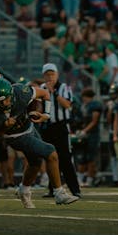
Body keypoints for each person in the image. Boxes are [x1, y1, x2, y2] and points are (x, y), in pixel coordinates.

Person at [0, 77, 79, 208]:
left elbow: (45, 94)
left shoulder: (20, 92)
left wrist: (45, 114)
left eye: (8, 97)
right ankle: (59, 193)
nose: (8, 101)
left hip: (29, 128)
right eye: (3, 101)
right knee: (51, 152)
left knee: (35, 163)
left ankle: (24, 189)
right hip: (15, 136)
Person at [40, 63, 81, 197]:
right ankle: (53, 189)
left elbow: (68, 105)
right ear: (43, 75)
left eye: (52, 74)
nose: (50, 76)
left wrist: (54, 92)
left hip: (61, 126)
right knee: (50, 158)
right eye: (47, 74)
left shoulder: (64, 88)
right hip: (47, 127)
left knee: (65, 159)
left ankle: (75, 189)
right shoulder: (41, 88)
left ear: (57, 74)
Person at [75, 88, 102, 187]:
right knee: (82, 157)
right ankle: (80, 179)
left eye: (85, 97)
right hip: (85, 134)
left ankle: (90, 180)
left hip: (93, 135)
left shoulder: (95, 105)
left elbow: (94, 121)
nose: (84, 99)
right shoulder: (84, 106)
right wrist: (80, 130)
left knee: (91, 158)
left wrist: (84, 130)